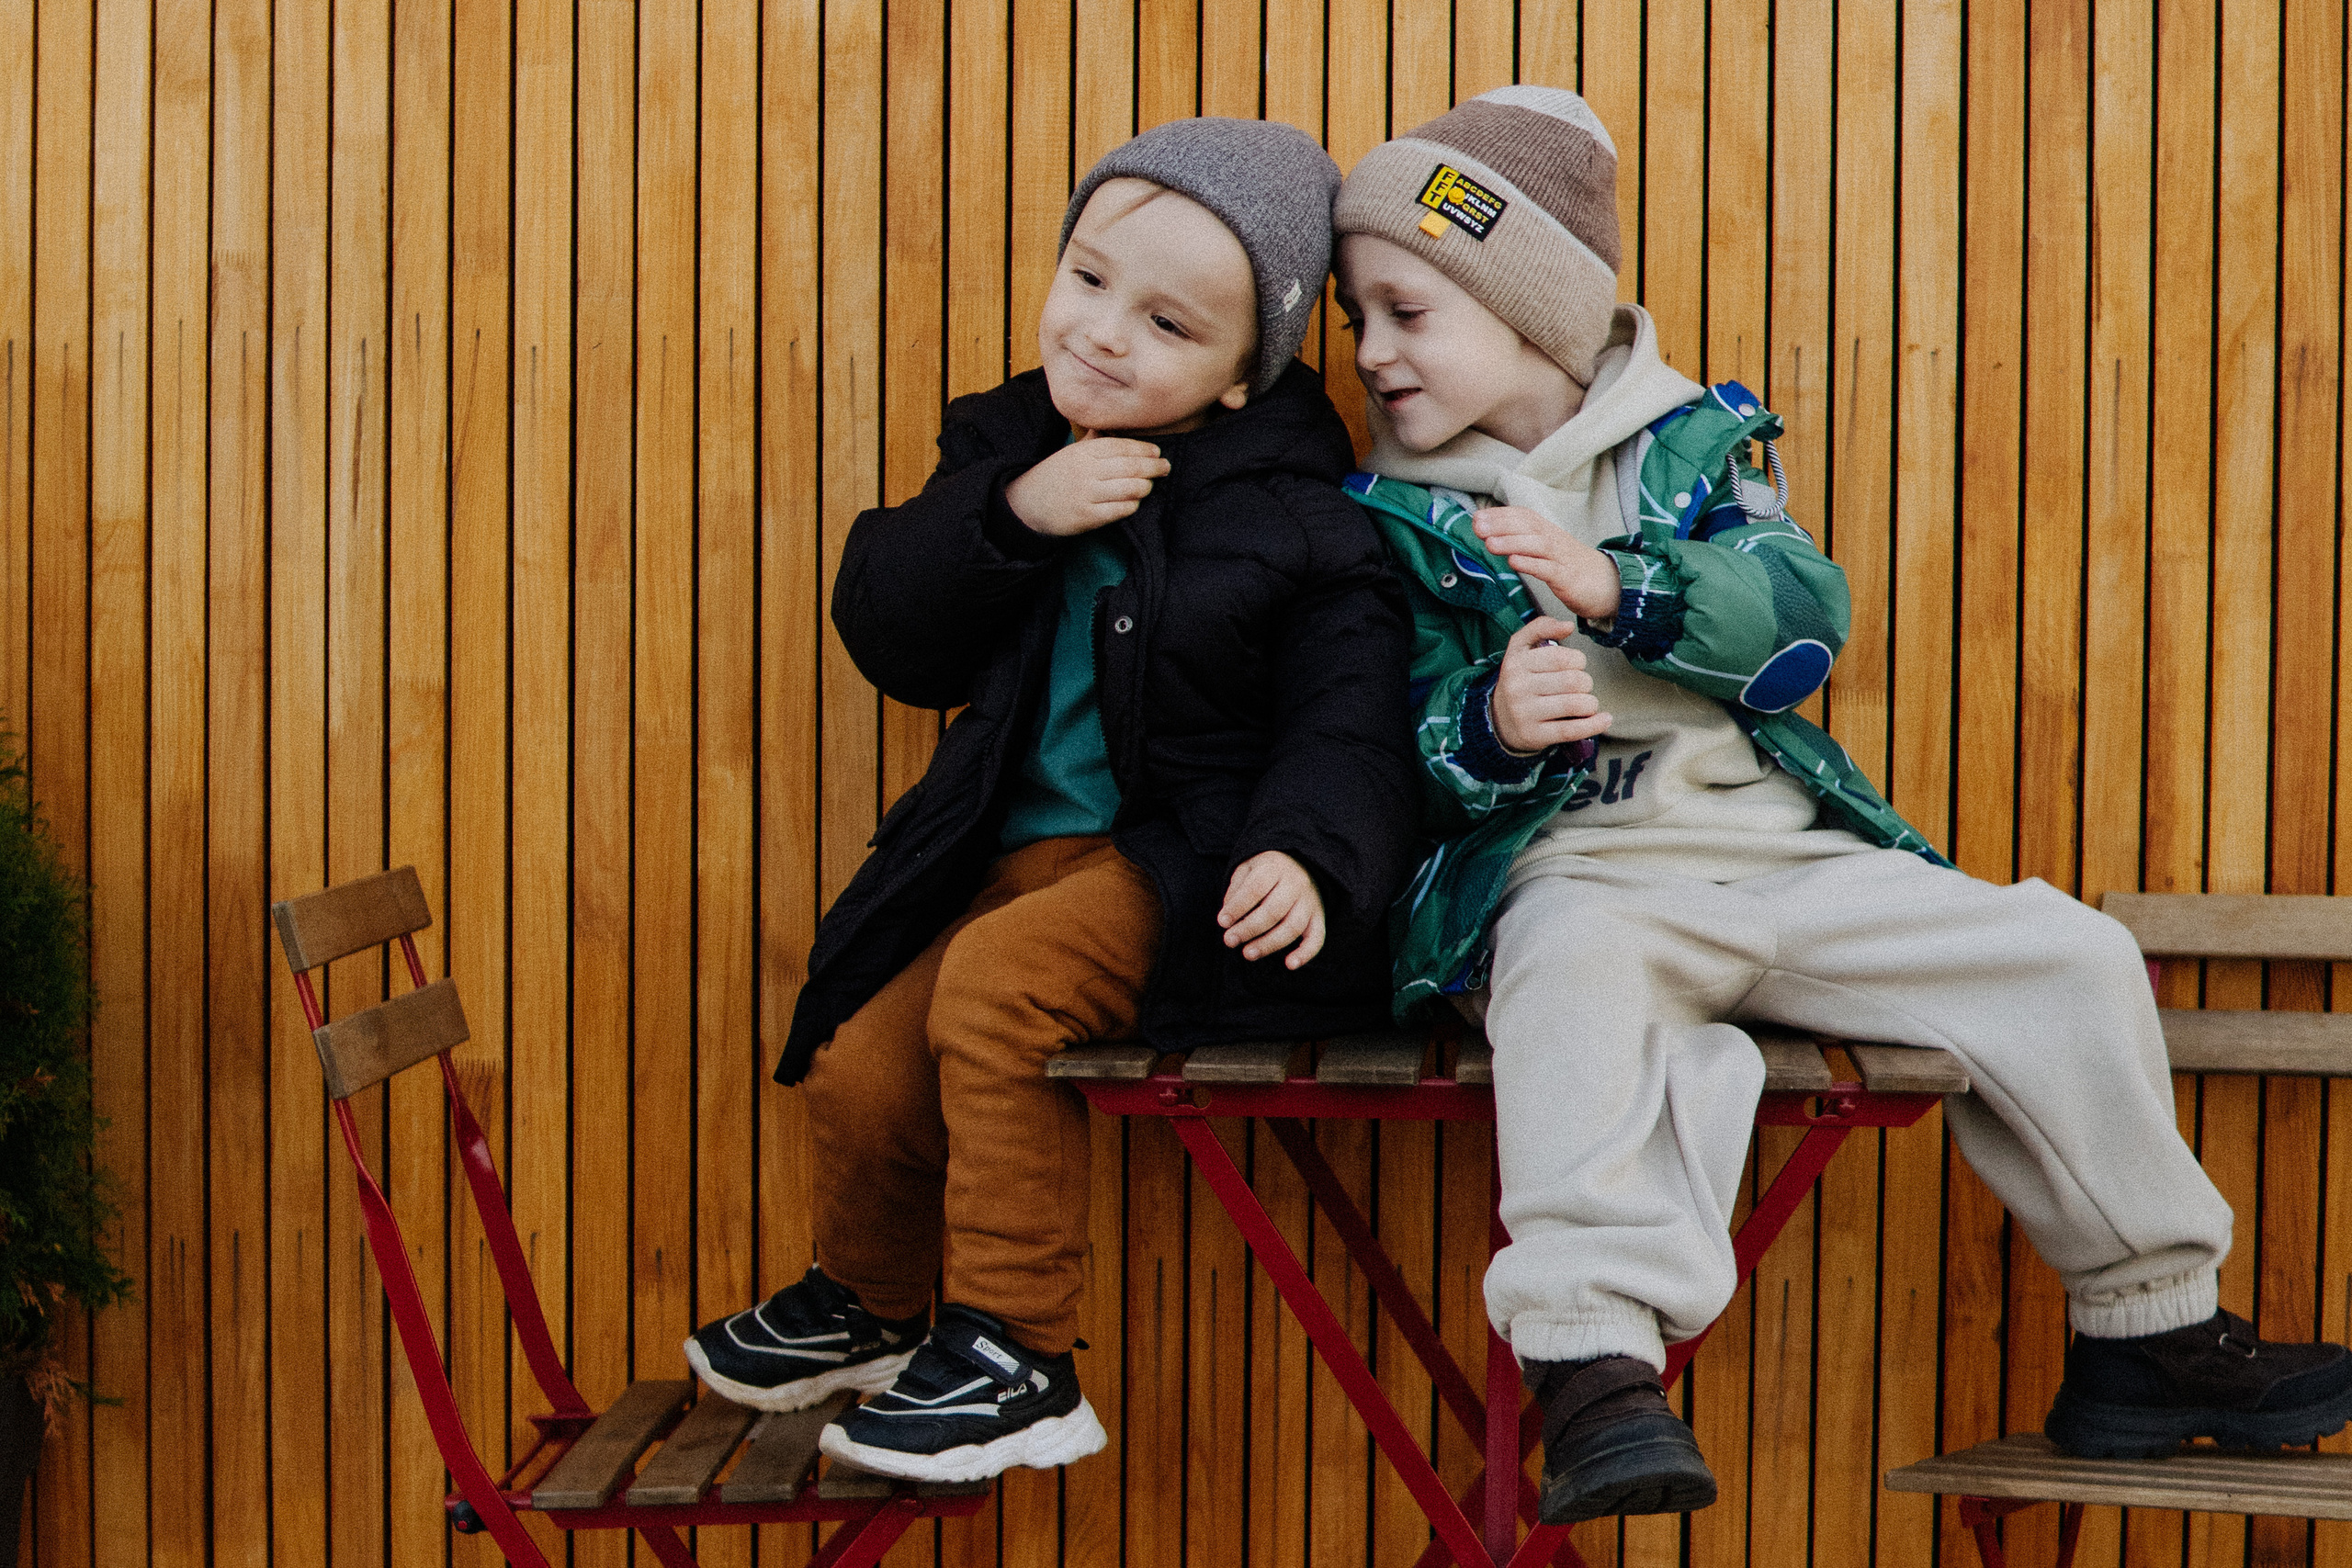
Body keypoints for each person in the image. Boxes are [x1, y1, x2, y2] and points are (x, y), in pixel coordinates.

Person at [1330, 84, 2352, 1527]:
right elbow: (1359, 743)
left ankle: (2148, 1328)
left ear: (1535, 308)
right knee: (1569, 981)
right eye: (1356, 312)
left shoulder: (1691, 447)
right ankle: (1593, 1367)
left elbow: (1803, 621)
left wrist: (1623, 586)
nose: (1369, 352)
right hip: (1570, 871)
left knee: (2062, 953)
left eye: (1405, 310)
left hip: (1774, 860)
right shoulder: (1383, 512)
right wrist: (1485, 728)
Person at [683, 117, 1419, 1486]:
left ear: (1242, 379)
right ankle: (872, 1301)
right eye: (1087, 279)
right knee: (857, 1046)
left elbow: (1351, 714)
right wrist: (1016, 513)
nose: (1102, 335)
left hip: (1185, 868)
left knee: (1002, 990)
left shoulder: (1299, 513)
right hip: (1002, 857)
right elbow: (890, 633)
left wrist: (1311, 855)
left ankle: (1022, 1352)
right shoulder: (1008, 444)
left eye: (1167, 324)